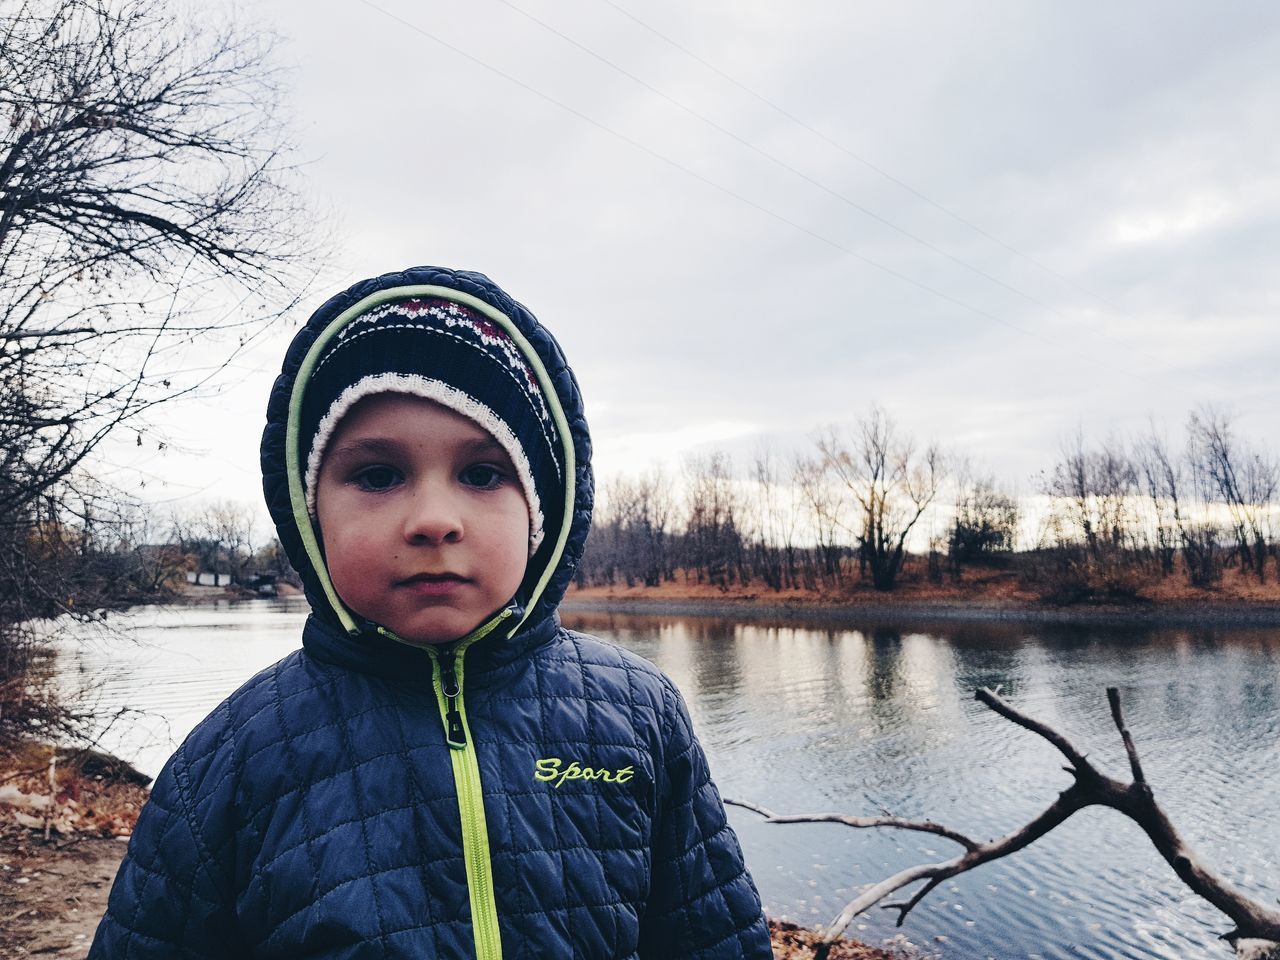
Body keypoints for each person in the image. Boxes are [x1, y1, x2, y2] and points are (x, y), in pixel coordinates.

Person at [89, 266, 772, 959]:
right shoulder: (233, 756)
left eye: (482, 474)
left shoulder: (640, 717)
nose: (434, 520)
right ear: (307, 512)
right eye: (379, 476)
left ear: (543, 515)